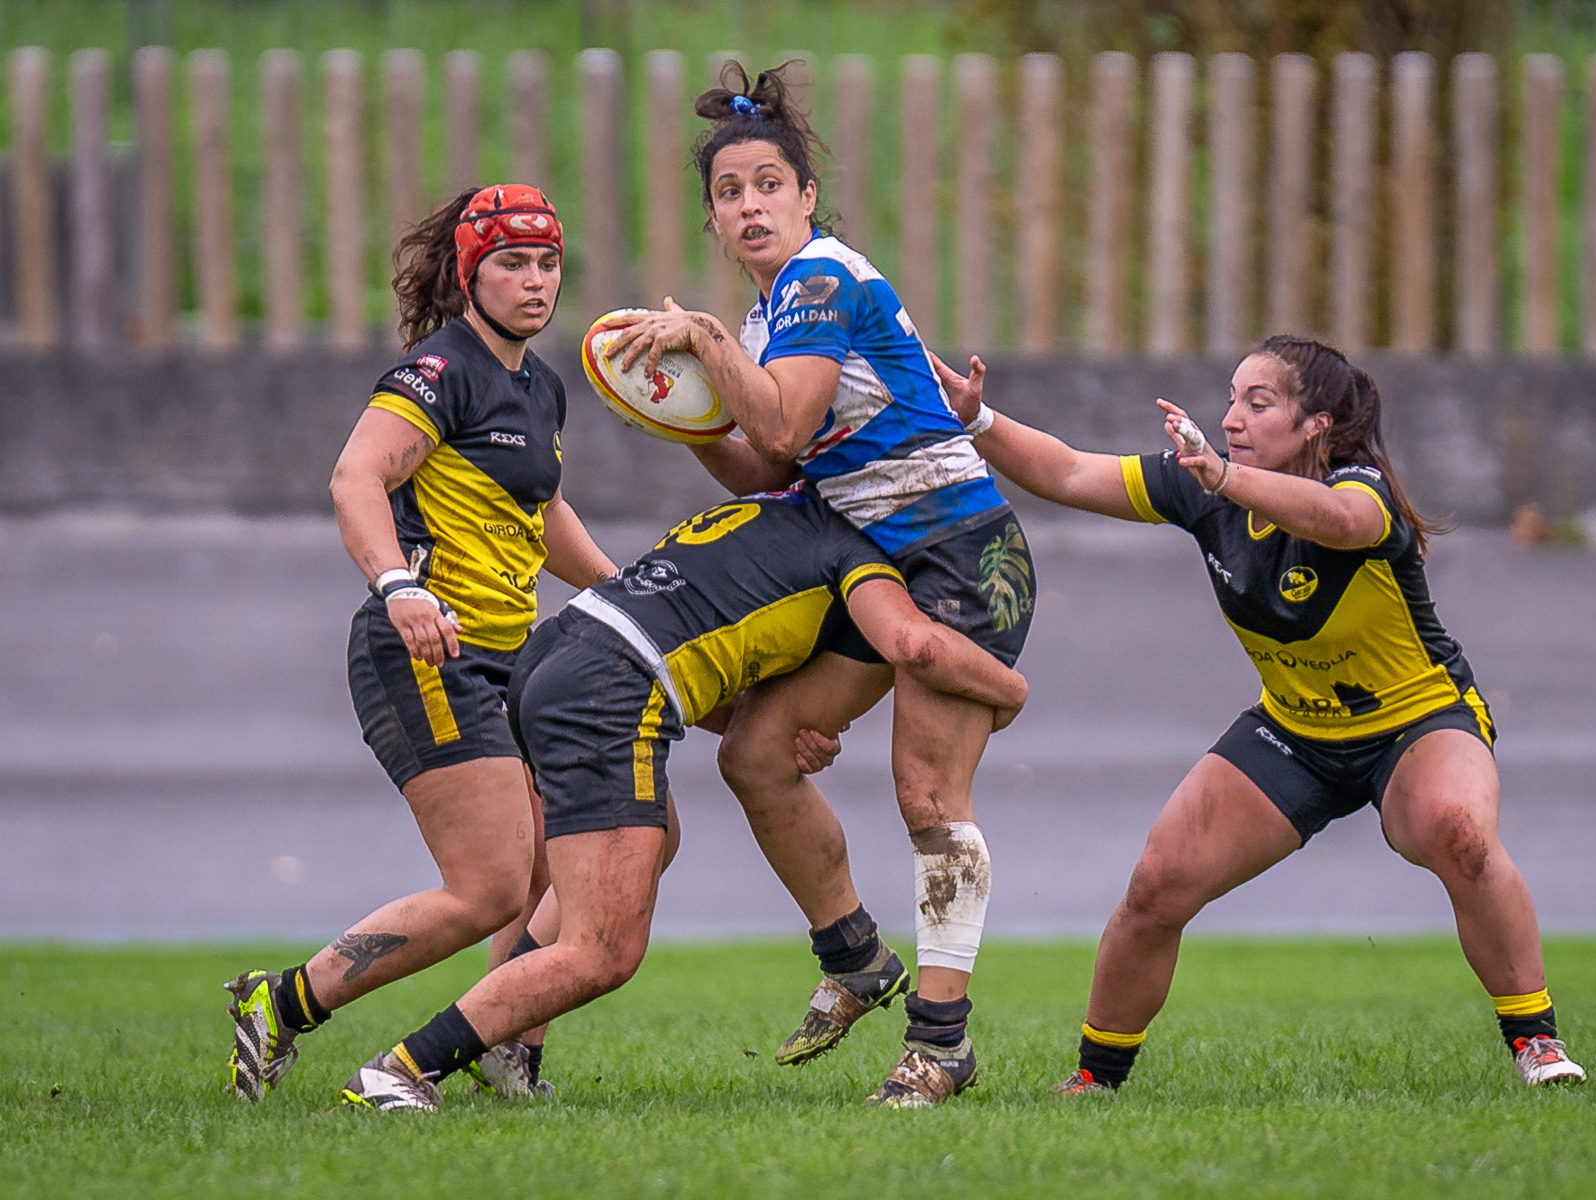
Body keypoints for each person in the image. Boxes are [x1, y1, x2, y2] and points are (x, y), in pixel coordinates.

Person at [930, 336, 1587, 1093]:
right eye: (1231, 399)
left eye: (1258, 403)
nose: (1232, 418)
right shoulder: (1205, 484)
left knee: (1458, 833)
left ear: (1317, 425)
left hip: (1417, 721)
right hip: (1297, 731)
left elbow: (1341, 522)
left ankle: (1535, 1043)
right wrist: (978, 423)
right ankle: (1095, 1080)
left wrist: (1224, 474)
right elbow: (1069, 470)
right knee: (1157, 883)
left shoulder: (1359, 489)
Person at [600, 62, 1033, 1106]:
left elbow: (788, 426)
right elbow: (769, 468)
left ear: (804, 198)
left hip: (963, 552)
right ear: (712, 217)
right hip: (873, 561)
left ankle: (941, 1043)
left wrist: (699, 342)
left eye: (767, 186)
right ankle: (853, 956)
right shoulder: (765, 323)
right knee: (755, 752)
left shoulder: (823, 280)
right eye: (728, 193)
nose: (749, 205)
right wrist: (687, 412)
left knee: (927, 792)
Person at [337, 485, 1029, 1111]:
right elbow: (914, 644)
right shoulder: (858, 549)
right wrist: (1009, 688)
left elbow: (691, 639)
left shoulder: (765, 508)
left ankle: (502, 1046)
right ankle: (401, 1070)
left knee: (651, 843)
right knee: (602, 948)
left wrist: (768, 727)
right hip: (606, 689)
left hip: (560, 653)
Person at [224, 184, 618, 1102]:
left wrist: (622, 596)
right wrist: (398, 584)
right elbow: (355, 478)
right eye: (511, 264)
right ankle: (278, 1006)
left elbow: (541, 510)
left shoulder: (540, 385)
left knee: (565, 855)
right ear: (467, 275)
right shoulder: (439, 374)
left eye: (547, 262)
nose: (534, 281)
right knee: (487, 888)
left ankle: (507, 1040)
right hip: (425, 649)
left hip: (509, 658)